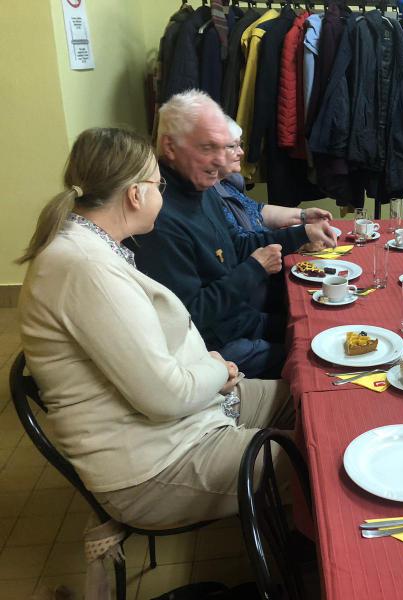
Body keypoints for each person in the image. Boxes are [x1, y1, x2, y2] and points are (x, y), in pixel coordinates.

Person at [17, 127, 292, 531]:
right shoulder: (85, 268)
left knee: (306, 398)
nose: (163, 196)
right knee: (321, 454)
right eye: (158, 185)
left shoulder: (93, 248)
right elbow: (165, 396)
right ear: (135, 194)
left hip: (187, 417)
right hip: (153, 466)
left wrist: (209, 365)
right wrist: (219, 370)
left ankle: (300, 532)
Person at [130, 90, 337, 379]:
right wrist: (254, 269)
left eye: (224, 147)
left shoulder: (202, 186)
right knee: (323, 365)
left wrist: (302, 233)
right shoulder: (158, 217)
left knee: (325, 324)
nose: (220, 159)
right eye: (207, 148)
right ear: (170, 146)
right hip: (213, 348)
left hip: (240, 320)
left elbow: (237, 245)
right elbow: (192, 316)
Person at [214, 116, 333, 239]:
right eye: (232, 146)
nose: (241, 152)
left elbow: (257, 211)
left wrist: (303, 215)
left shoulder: (227, 183)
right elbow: (242, 243)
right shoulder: (210, 198)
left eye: (240, 145)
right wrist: (300, 237)